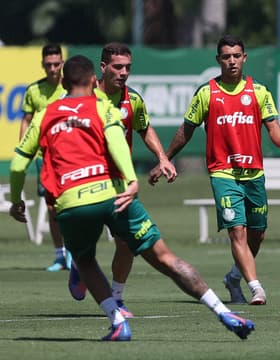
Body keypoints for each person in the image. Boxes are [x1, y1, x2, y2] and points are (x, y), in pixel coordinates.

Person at [8, 55, 255, 341]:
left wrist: (16, 201)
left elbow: (17, 164)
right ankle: (223, 311)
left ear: (63, 82)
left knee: (85, 260)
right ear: (93, 82)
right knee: (165, 258)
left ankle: (116, 320)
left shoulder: (46, 113)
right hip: (112, 195)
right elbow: (116, 142)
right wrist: (131, 180)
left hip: (71, 203)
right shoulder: (101, 106)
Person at [149, 35, 280, 306]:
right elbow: (185, 131)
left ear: (244, 58)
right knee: (236, 231)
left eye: (236, 56)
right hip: (223, 172)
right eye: (226, 57)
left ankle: (234, 277)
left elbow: (272, 126)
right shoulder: (207, 93)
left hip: (253, 173)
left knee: (257, 233)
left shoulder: (258, 92)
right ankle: (256, 288)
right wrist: (165, 159)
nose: (231, 61)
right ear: (218, 60)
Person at [67, 42, 177, 319]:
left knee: (126, 243)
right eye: (118, 67)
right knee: (86, 243)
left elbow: (144, 127)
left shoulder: (133, 99)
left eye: (128, 67)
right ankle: (79, 264)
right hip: (87, 183)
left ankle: (117, 298)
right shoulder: (84, 99)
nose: (124, 72)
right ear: (103, 68)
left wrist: (162, 158)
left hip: (120, 184)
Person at [19, 43, 71, 272]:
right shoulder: (33, 91)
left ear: (62, 64)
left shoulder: (71, 89)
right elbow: (27, 121)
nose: (52, 68)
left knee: (70, 206)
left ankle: (74, 253)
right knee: (51, 208)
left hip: (70, 157)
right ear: (42, 64)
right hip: (45, 156)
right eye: (48, 64)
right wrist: (24, 149)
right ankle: (60, 256)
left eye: (56, 64)